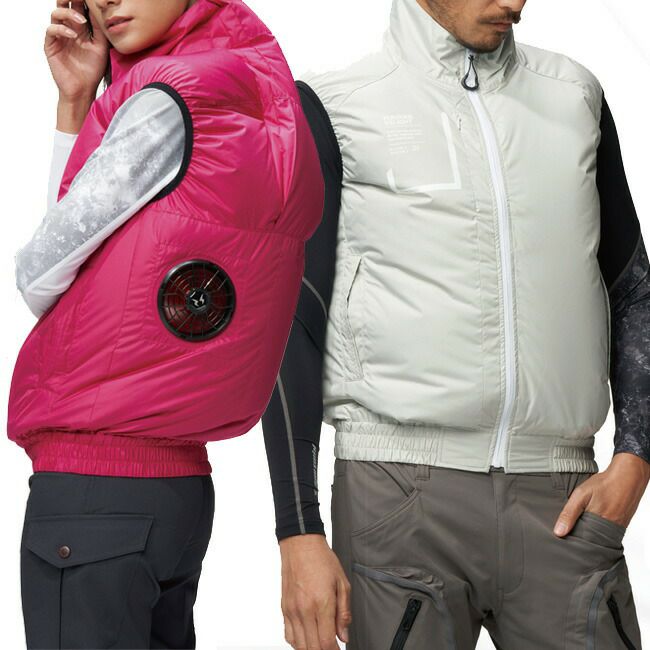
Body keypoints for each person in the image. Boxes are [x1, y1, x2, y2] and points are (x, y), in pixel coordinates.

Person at [261, 0, 650, 648]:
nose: (515, 4)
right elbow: (290, 323)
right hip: (395, 497)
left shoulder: (574, 97)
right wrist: (297, 530)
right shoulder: (335, 108)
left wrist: (636, 455)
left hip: (562, 497)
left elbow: (632, 288)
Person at [8, 1, 323, 648]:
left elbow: (44, 273)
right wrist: (79, 99)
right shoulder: (252, 90)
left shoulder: (164, 102)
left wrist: (80, 113)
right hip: (179, 491)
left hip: (96, 492)